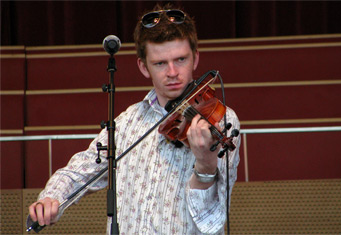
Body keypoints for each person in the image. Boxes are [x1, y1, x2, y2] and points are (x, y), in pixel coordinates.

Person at [29, 4, 241, 234]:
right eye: (160, 63)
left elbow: (211, 220)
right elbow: (83, 168)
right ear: (143, 66)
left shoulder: (221, 119)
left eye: (180, 60)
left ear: (195, 59)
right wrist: (51, 197)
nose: (172, 72)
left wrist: (205, 166)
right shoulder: (126, 122)